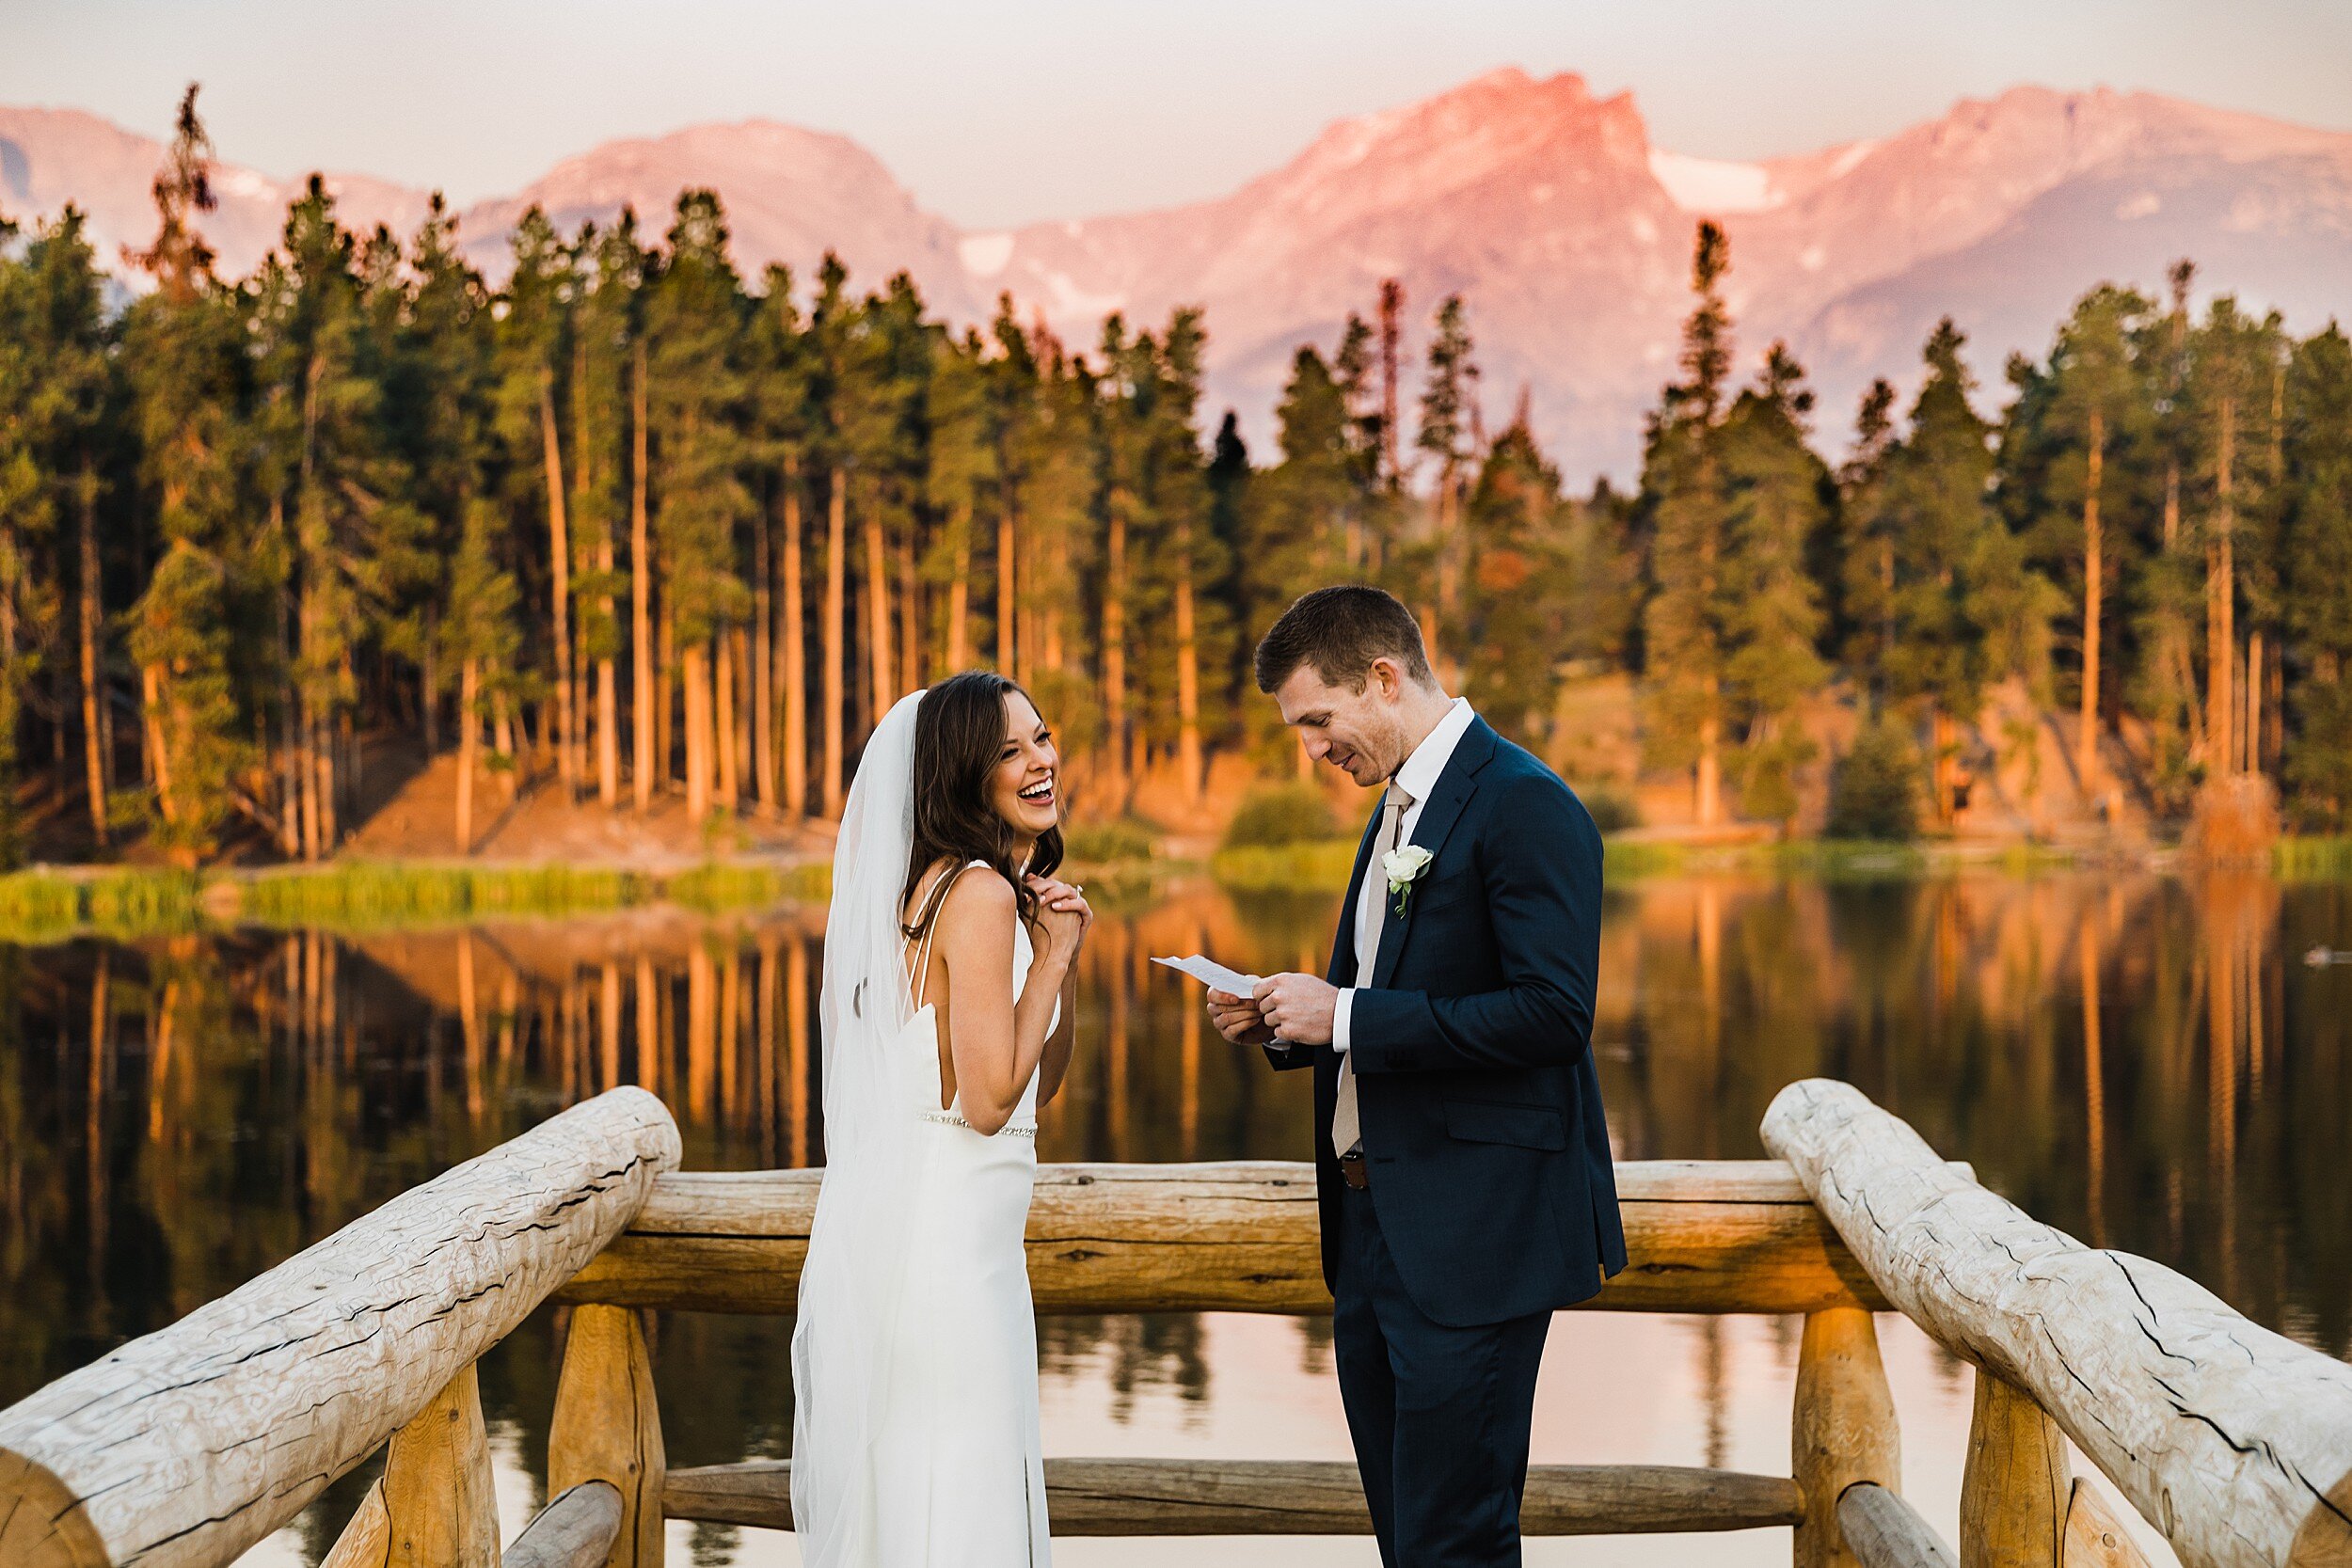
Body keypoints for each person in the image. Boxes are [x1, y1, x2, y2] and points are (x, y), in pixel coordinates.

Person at [1207, 585, 1624, 1568]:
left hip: (1474, 1244)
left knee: (1457, 1545)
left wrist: (1344, 1011)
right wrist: (1287, 1019)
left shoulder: (1525, 803)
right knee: (1409, 1539)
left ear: (1384, 679)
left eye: (1318, 720)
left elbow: (1553, 1015)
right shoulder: (1400, 803)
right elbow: (1394, 994)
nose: (1311, 749)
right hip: (1374, 1236)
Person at [792, 672, 1093, 1567]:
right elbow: (989, 1102)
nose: (1039, 760)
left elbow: (1036, 1088)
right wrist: (1054, 961)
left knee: (925, 1488)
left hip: (946, 1244)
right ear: (965, 773)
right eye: (1010, 750)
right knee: (960, 1493)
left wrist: (1054, 968)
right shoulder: (979, 895)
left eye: (1040, 736)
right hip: (953, 1260)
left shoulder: (940, 888)